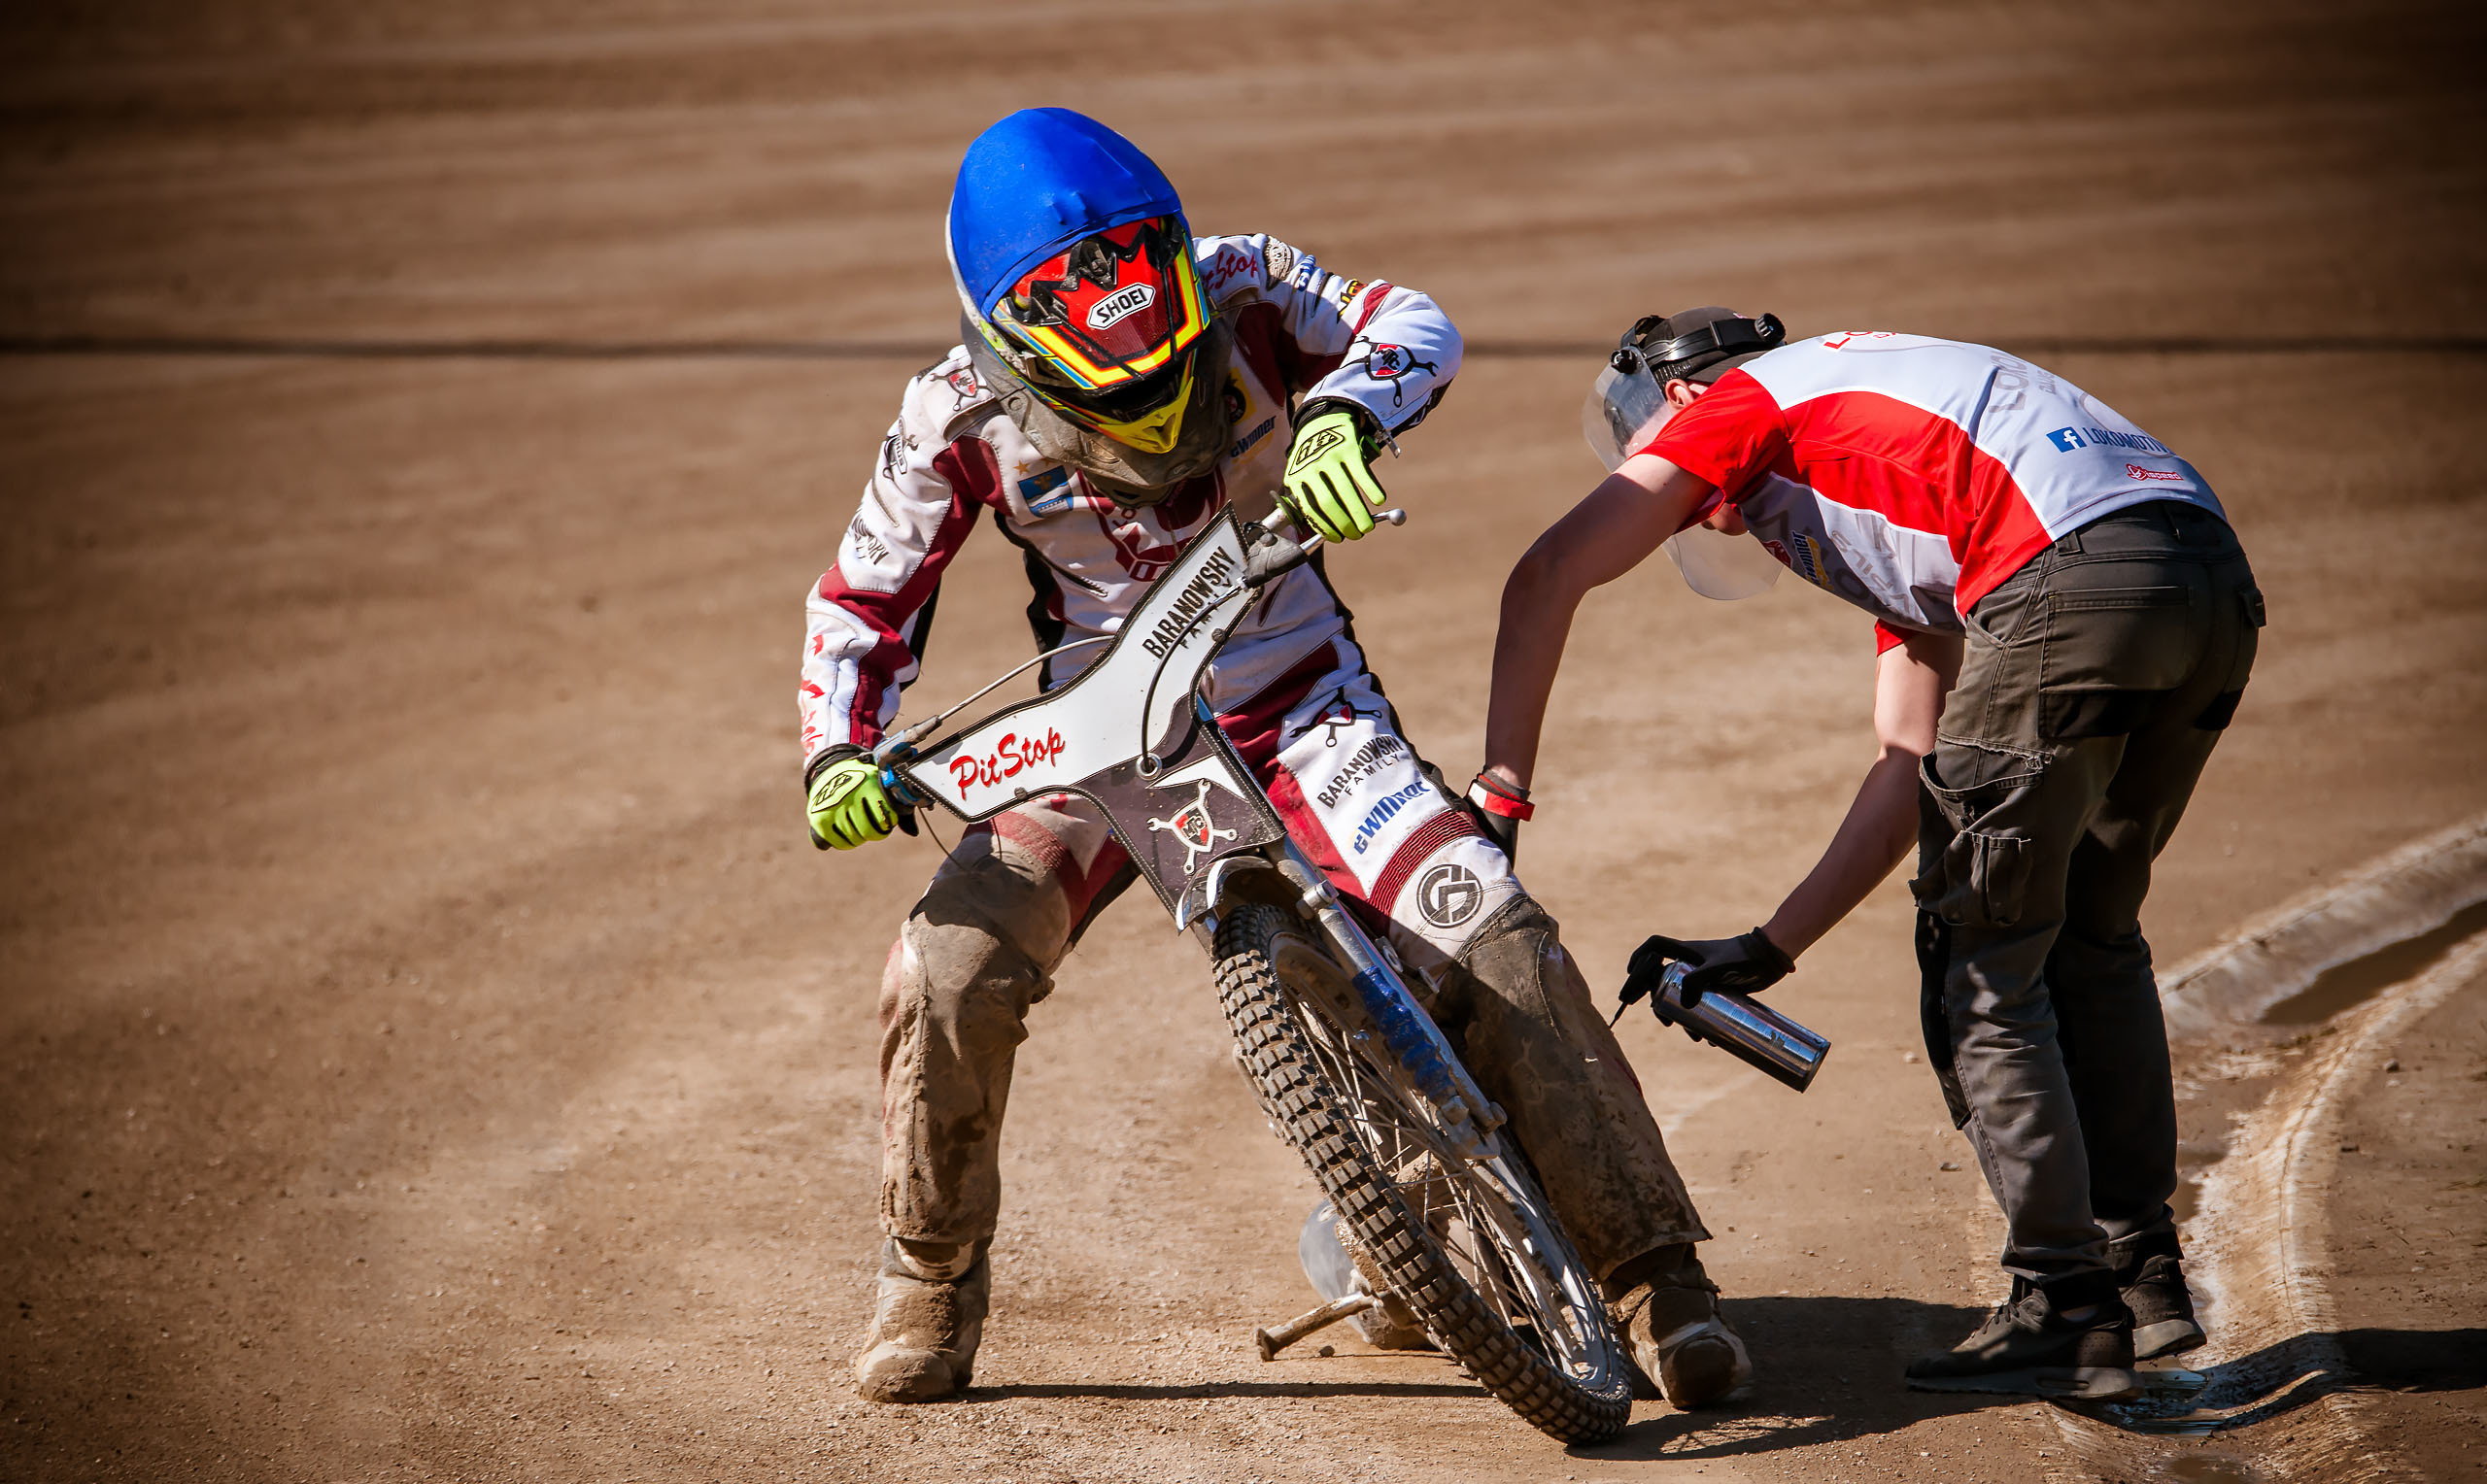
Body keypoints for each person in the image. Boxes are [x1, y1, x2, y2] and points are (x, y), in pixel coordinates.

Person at [800, 110, 1749, 1408]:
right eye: (1090, 337)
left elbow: (1411, 320)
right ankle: (928, 1272)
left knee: (1494, 933)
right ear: (1009, 333)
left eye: (1148, 297)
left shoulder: (1245, 281)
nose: (1136, 360)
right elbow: (863, 598)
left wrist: (1347, 413)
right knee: (944, 965)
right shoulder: (948, 413)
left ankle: (1656, 1277)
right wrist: (837, 750)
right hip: (1096, 743)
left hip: (1303, 709)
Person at [1483, 311, 2264, 1403]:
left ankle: (2066, 1303)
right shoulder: (1894, 475)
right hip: (2201, 571)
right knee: (2089, 931)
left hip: (2062, 580)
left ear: (1679, 402)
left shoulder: (1739, 403)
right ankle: (2140, 1275)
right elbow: (1910, 761)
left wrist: (1499, 795)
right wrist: (1768, 946)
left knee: (1983, 960)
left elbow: (1547, 572)